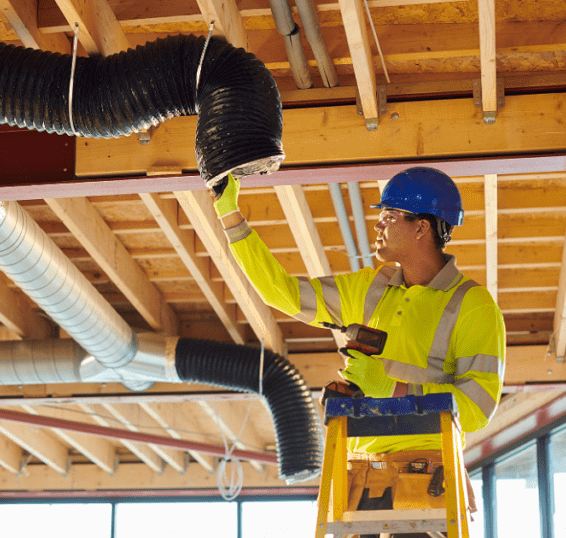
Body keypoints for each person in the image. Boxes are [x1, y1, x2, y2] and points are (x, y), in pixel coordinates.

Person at [213, 167, 505, 524]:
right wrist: (230, 216)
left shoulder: (472, 305)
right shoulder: (370, 288)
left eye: (388, 216)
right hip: (359, 477)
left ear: (421, 228)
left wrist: (393, 388)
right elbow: (286, 294)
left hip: (426, 479)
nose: (378, 226)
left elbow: (478, 407)